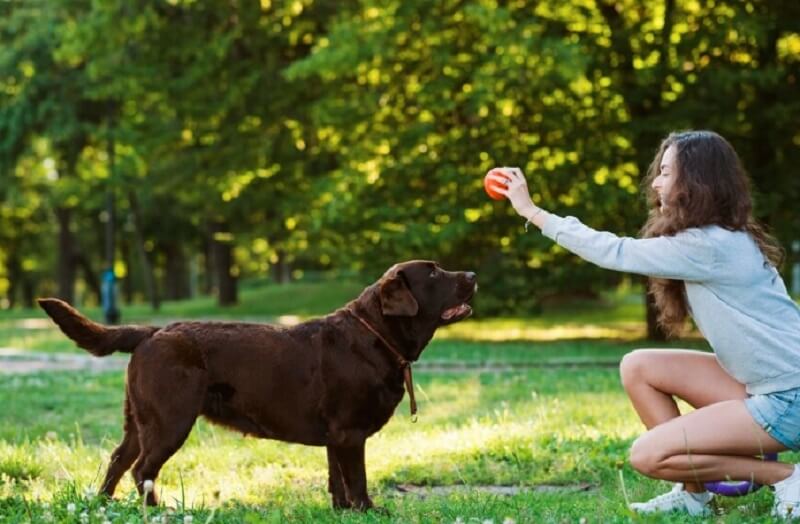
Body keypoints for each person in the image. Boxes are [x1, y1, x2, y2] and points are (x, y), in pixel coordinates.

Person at [487, 130, 800, 518]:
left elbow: (614, 251)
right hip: (768, 386)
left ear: (695, 181)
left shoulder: (710, 245)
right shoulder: (718, 238)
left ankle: (786, 477)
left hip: (789, 398)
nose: (655, 181)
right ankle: (694, 495)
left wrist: (531, 211)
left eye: (666, 172)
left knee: (648, 454)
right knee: (639, 366)